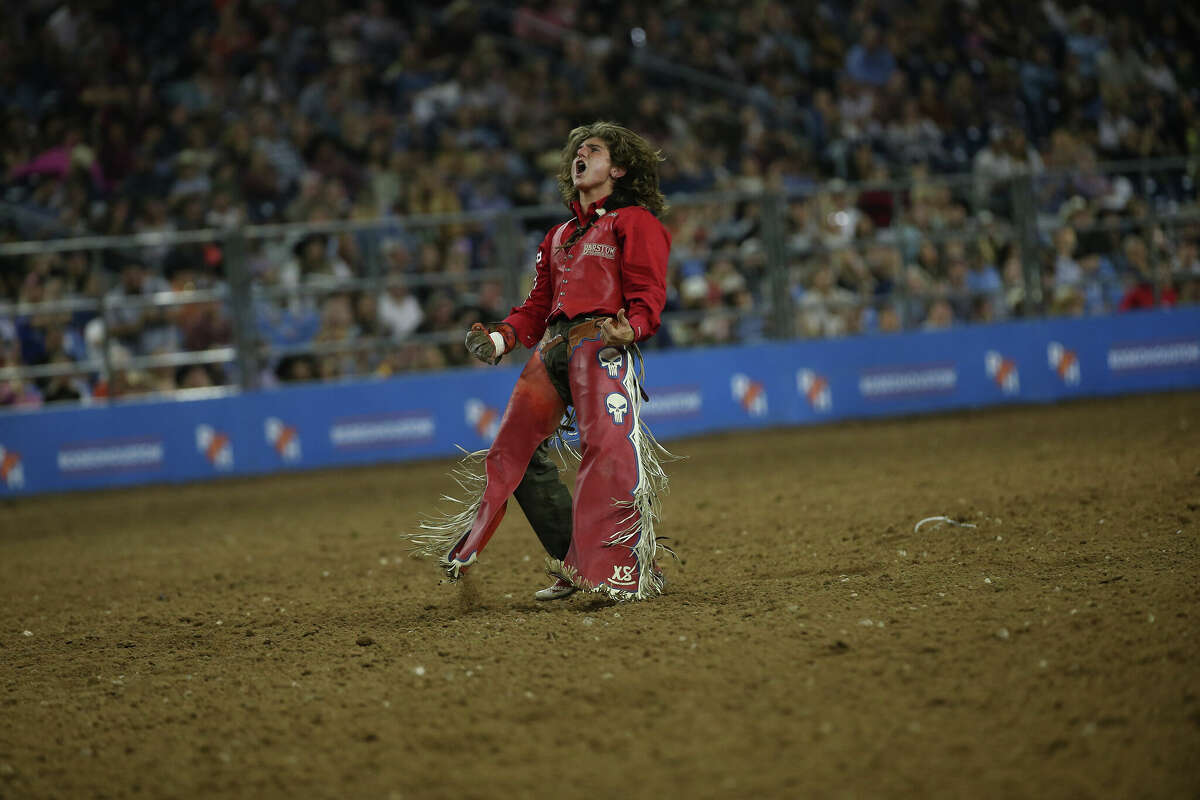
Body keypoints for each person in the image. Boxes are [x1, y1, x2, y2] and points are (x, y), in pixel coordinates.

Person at [410, 121, 673, 602]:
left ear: (618, 168)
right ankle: (577, 564)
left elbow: (648, 292)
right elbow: (536, 307)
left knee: (608, 452)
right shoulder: (559, 235)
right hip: (553, 349)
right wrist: (500, 336)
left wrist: (631, 328)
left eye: (592, 150)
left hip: (602, 347)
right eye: (577, 150)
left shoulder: (635, 222)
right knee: (516, 454)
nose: (580, 155)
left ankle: (624, 570)